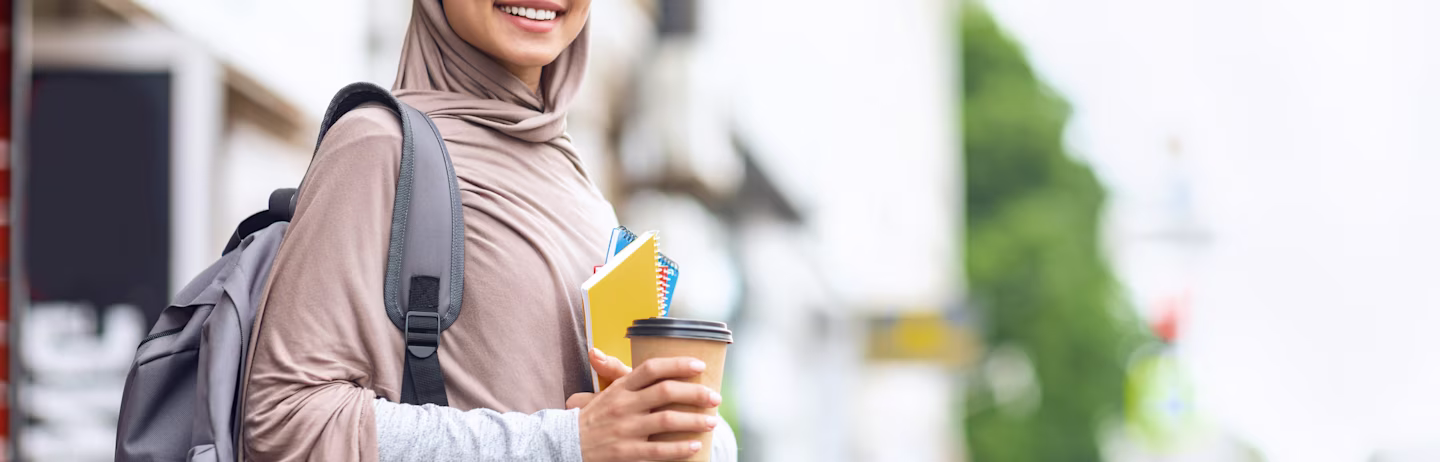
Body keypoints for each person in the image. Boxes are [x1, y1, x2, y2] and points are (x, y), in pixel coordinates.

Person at [240, 0, 737, 460]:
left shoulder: (581, 186)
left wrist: (694, 437)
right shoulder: (377, 147)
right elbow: (283, 419)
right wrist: (569, 441)